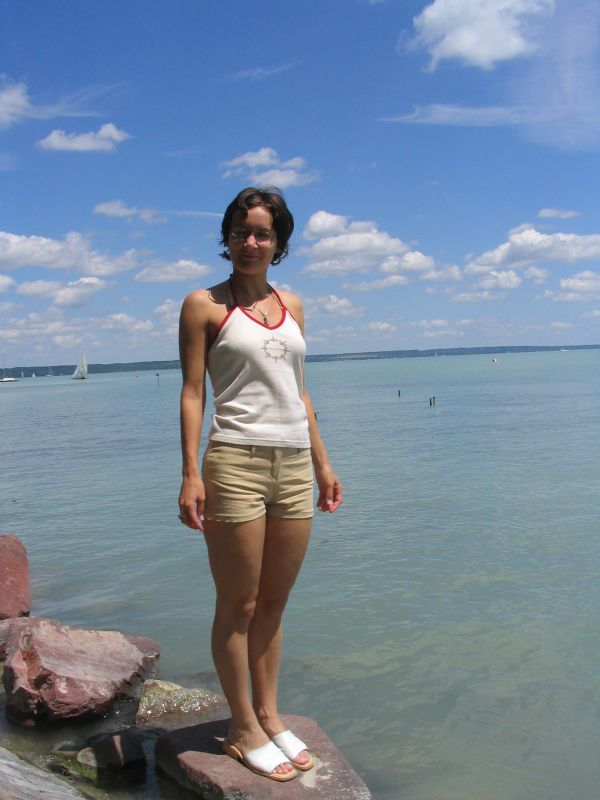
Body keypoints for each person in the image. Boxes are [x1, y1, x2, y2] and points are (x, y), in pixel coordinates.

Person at [177, 186, 342, 782]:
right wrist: (191, 472)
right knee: (239, 603)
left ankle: (269, 714)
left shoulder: (292, 303)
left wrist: (322, 463)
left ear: (279, 243)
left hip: (293, 464)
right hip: (235, 463)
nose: (250, 242)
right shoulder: (203, 305)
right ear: (226, 239)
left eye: (262, 233)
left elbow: (298, 391)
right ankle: (242, 727)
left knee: (274, 601)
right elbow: (193, 392)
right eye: (240, 232)